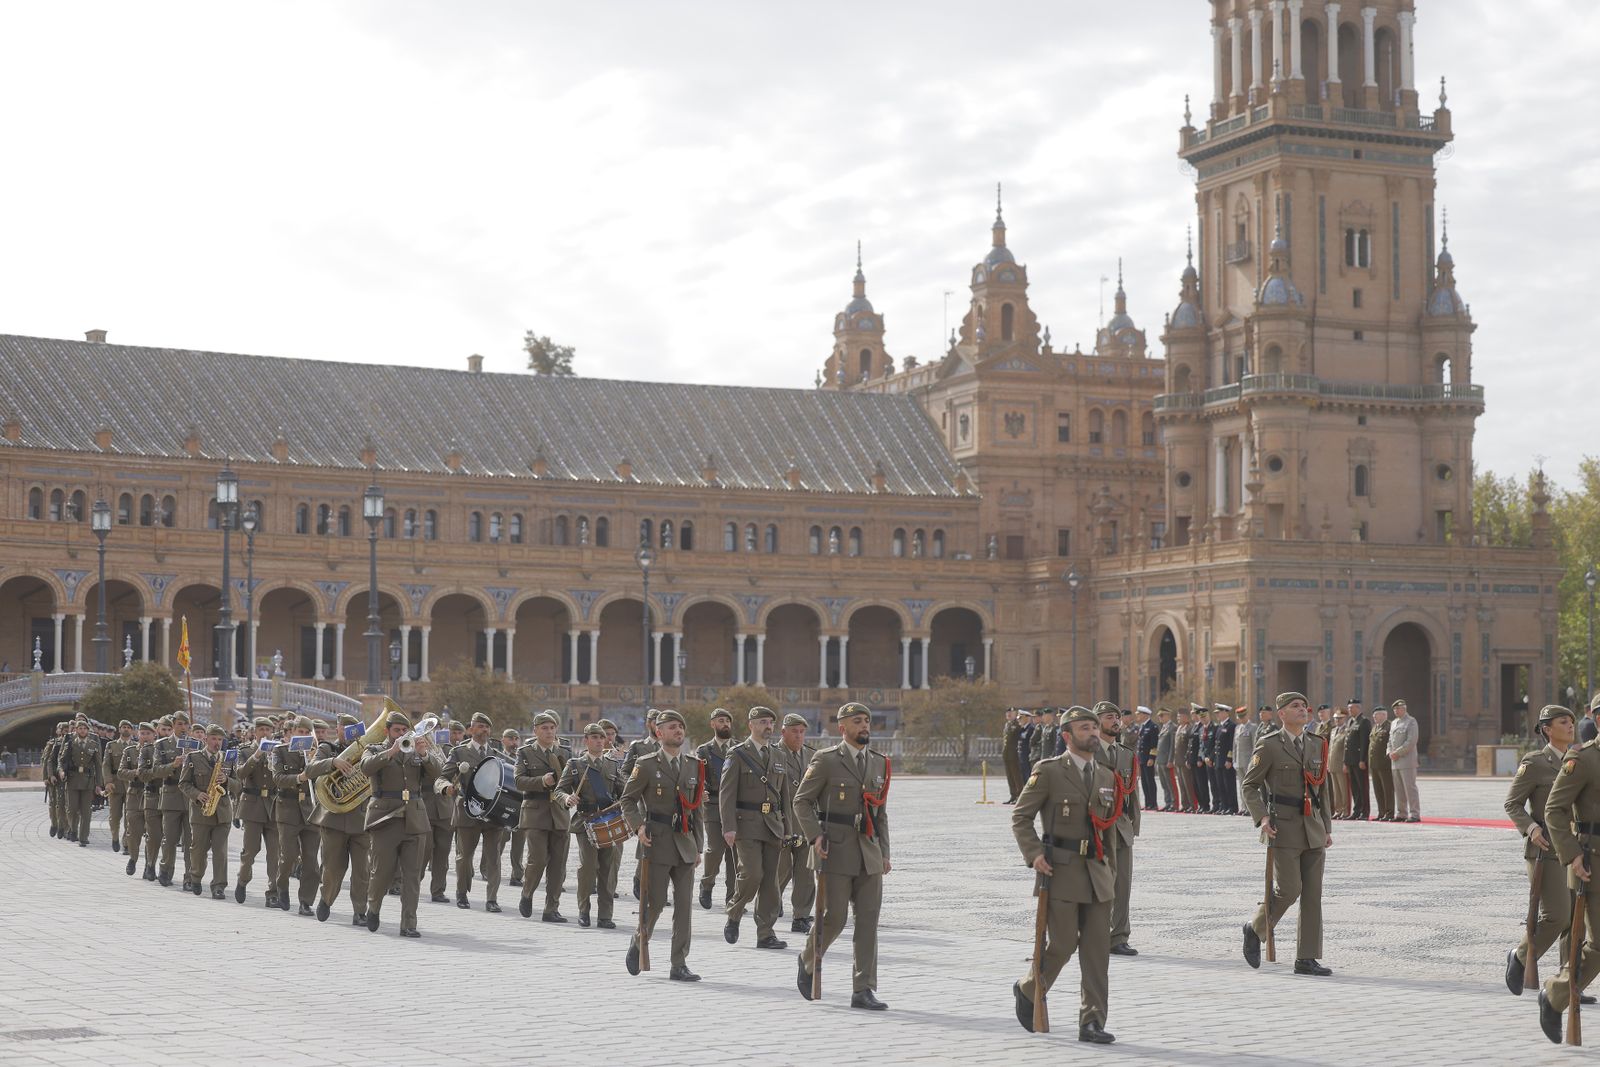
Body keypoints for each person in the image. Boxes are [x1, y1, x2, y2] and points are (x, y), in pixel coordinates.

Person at [1009, 706, 1119, 1043]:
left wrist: (1111, 872)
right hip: (1061, 869)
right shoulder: (1049, 771)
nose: (1094, 733)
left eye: (1095, 727)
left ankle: (1092, 1022)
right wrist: (1034, 854)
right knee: (1062, 944)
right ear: (1068, 736)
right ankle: (1029, 987)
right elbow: (1021, 817)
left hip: (1097, 873)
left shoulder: (1105, 776)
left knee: (1098, 951)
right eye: (1086, 728)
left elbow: (1108, 829)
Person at [794, 702, 891, 1011]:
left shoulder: (878, 763)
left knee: (868, 923)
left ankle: (863, 988)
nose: (865, 726)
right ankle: (808, 959)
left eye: (867, 721)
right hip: (833, 849)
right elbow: (801, 802)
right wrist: (814, 835)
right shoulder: (825, 760)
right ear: (842, 728)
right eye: (857, 722)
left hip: (868, 852)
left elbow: (881, 813)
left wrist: (885, 853)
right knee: (833, 918)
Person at [1240, 692, 1333, 977]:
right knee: (1289, 890)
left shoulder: (1317, 744)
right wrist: (1262, 817)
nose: (1302, 710)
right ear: (1281, 714)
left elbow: (1323, 788)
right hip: (1283, 826)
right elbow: (1250, 786)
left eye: (1304, 706)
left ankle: (1306, 957)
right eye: (1295, 707)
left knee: (1313, 894)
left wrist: (1327, 827)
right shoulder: (1269, 746)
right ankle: (1255, 927)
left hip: (1313, 827)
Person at [620, 708, 706, 982]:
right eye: (671, 727)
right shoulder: (646, 764)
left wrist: (699, 847)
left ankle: (678, 963)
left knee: (684, 907)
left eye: (681, 726)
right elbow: (628, 800)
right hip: (656, 841)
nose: (678, 731)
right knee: (654, 904)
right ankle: (639, 939)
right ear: (659, 733)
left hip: (685, 843)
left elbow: (697, 811)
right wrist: (638, 826)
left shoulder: (694, 765)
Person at [1505, 705, 1579, 998]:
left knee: (1576, 920)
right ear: (1548, 729)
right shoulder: (1535, 762)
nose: (1571, 726)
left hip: (1577, 848)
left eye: (1572, 721)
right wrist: (1531, 829)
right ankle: (1521, 956)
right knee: (1557, 915)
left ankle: (1568, 982)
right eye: (1564, 722)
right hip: (1545, 848)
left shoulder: (1577, 760)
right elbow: (1512, 803)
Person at [1538, 715, 1600, 1042]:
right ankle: (1555, 995)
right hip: (1591, 863)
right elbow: (1554, 809)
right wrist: (1572, 854)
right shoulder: (1583, 759)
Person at [360, 708, 437, 938]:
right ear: (388, 731)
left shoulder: (416, 751)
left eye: (405, 730)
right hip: (385, 818)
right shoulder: (374, 749)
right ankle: (373, 907)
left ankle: (409, 923)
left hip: (414, 817)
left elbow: (437, 774)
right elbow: (365, 768)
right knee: (381, 872)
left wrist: (425, 755)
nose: (402, 734)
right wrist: (391, 752)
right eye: (397, 730)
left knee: (412, 875)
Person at [720, 705, 790, 951]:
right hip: (745, 825)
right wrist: (728, 827)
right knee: (752, 874)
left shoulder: (779, 756)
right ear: (750, 725)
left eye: (770, 722)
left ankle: (765, 933)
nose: (767, 726)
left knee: (771, 881)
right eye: (762, 722)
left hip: (773, 825)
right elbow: (726, 794)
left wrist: (788, 828)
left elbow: (785, 797)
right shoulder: (737, 754)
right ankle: (735, 913)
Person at [557, 723, 626, 928]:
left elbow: (625, 793)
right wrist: (568, 798)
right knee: (588, 867)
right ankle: (583, 911)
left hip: (609, 822)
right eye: (594, 737)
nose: (598, 741)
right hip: (586, 822)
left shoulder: (612, 765)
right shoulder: (575, 764)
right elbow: (559, 790)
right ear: (586, 740)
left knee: (608, 869)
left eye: (601, 737)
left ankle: (605, 915)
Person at [435, 711, 505, 911]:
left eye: (487, 727)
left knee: (494, 857)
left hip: (493, 813)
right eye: (480, 726)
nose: (484, 730)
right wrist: (446, 787)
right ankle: (462, 893)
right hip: (467, 809)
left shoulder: (497, 753)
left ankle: (492, 899)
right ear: (471, 729)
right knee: (464, 857)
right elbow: (442, 777)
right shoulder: (459, 752)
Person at [514, 711, 571, 922]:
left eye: (552, 727)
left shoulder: (565, 752)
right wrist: (541, 781)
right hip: (535, 811)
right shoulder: (525, 753)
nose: (549, 731)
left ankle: (551, 909)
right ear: (535, 730)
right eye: (544, 728)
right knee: (537, 859)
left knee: (558, 864)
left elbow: (573, 779)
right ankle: (527, 892)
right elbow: (519, 780)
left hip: (560, 813)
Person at [1093, 702, 1140, 957]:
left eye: (1117, 717)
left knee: (1122, 885)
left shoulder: (1126, 754)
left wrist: (1134, 825)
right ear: (1097, 721)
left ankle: (1118, 936)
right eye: (1109, 717)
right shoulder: (1085, 752)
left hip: (1121, 828)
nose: (1115, 721)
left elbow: (1133, 792)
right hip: (1095, 827)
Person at [270, 715, 321, 916]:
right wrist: (299, 777)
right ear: (292, 733)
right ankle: (281, 885)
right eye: (301, 732)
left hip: (310, 810)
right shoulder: (279, 751)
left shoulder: (316, 753)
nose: (305, 736)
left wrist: (314, 760)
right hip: (288, 809)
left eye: (308, 733)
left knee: (311, 860)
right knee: (289, 856)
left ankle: (306, 901)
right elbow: (278, 778)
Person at [178, 723, 235, 899]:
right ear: (205, 739)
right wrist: (197, 794)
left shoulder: (228, 758)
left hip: (222, 812)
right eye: (213, 739)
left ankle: (219, 886)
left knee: (220, 851)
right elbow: (183, 783)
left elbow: (239, 784)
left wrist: (226, 781)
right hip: (201, 811)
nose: (217, 743)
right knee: (198, 850)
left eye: (220, 739)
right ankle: (195, 877)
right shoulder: (193, 758)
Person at [776, 712, 817, 934]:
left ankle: (801, 916)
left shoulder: (812, 755)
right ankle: (772, 905)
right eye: (794, 731)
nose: (799, 736)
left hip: (805, 822)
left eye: (802, 732)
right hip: (781, 821)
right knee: (781, 870)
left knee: (805, 871)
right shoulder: (773, 754)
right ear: (783, 732)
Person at [232, 716, 280, 906]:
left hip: (274, 805)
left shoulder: (279, 751)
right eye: (261, 730)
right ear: (254, 732)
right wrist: (258, 754)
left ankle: (273, 891)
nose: (265, 733)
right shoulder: (245, 751)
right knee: (250, 850)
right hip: (252, 806)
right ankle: (242, 881)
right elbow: (240, 773)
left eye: (268, 730)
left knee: (274, 853)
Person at [696, 708, 738, 910]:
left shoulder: (739, 749)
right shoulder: (704, 751)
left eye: (728, 721)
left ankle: (733, 896)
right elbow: (698, 776)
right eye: (721, 721)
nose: (725, 724)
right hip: (713, 805)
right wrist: (701, 791)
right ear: (713, 724)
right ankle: (707, 884)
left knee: (735, 853)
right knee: (715, 848)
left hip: (736, 808)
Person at [423, 719, 461, 901]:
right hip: (426, 807)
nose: (433, 732)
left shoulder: (447, 750)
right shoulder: (417, 749)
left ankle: (438, 890)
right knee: (423, 850)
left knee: (443, 852)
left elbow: (453, 774)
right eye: (429, 729)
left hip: (445, 807)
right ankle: (408, 883)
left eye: (436, 728)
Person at [118, 722, 154, 876]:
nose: (145, 737)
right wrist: (136, 773)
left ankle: (149, 865)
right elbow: (121, 772)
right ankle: (133, 858)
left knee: (152, 833)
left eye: (148, 734)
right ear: (137, 735)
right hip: (134, 794)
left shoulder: (158, 751)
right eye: (142, 733)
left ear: (154, 735)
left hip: (152, 795)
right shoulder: (130, 751)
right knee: (133, 831)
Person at [61, 717, 103, 847]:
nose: (82, 730)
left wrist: (98, 784)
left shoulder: (93, 744)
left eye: (84, 728)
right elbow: (61, 760)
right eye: (80, 728)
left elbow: (98, 765)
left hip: (87, 781)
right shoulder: (70, 744)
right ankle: (73, 829)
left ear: (88, 730)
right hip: (72, 779)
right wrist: (61, 771)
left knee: (86, 811)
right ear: (76, 730)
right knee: (72, 809)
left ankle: (83, 837)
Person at [101, 719, 135, 852]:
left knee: (130, 815)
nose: (126, 729)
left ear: (131, 730)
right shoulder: (111, 745)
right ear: (119, 729)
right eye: (123, 727)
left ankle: (126, 842)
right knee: (115, 815)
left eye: (128, 727)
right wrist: (108, 781)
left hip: (131, 785)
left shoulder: (135, 746)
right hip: (115, 784)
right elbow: (106, 765)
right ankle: (115, 836)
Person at [1387, 699, 1421, 822]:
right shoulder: (1394, 723)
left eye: (1398, 708)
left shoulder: (1411, 722)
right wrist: (1389, 752)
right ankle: (1401, 813)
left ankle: (1414, 813)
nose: (1396, 711)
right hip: (1395, 761)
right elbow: (1390, 740)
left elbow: (1411, 741)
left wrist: (1397, 752)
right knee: (1399, 789)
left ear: (1404, 709)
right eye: (1394, 709)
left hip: (1407, 761)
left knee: (1409, 788)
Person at [501, 728, 526, 887]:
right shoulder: (498, 756)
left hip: (520, 805)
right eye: (510, 739)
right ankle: (489, 869)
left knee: (519, 843)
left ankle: (516, 875)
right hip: (503, 803)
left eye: (516, 739)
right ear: (503, 740)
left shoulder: (522, 758)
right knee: (500, 841)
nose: (514, 742)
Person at [1345, 700, 1372, 821]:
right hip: (1351, 760)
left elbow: (1364, 742)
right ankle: (1356, 810)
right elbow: (1347, 743)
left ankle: (1365, 812)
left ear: (1358, 708)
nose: (1349, 710)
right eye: (1349, 708)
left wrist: (1363, 760)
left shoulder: (1364, 721)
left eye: (1352, 708)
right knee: (1355, 787)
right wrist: (1345, 761)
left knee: (1362, 787)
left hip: (1359, 761)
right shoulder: (1350, 721)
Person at [1368, 708, 1394, 820]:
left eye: (1376, 715)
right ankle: (1381, 812)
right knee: (1377, 789)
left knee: (1387, 789)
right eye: (1373, 715)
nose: (1374, 717)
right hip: (1374, 763)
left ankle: (1389, 812)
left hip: (1384, 763)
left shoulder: (1389, 726)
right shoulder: (1375, 727)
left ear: (1384, 715)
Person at [1211, 704, 1237, 814]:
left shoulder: (1231, 726)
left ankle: (1232, 807)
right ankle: (1224, 806)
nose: (1217, 715)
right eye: (1216, 713)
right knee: (1220, 785)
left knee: (1229, 785)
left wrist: (1229, 759)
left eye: (1219, 712)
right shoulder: (1219, 726)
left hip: (1226, 761)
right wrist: (1212, 758)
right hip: (1218, 760)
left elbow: (1232, 744)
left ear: (1226, 712)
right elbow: (1215, 744)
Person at [1327, 708, 1350, 819]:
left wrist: (1345, 763)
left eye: (1339, 718)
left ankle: (1345, 811)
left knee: (1343, 789)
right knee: (1336, 789)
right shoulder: (1333, 730)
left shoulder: (1346, 730)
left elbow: (1346, 748)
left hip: (1341, 763)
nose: (1337, 721)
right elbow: (1330, 747)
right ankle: (1338, 810)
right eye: (1336, 718)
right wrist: (1328, 762)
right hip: (1332, 763)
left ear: (1344, 718)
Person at [1135, 707, 1158, 810]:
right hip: (1142, 758)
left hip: (1148, 759)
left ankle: (1153, 803)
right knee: (1144, 782)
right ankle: (1148, 803)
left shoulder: (1152, 726)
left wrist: (1151, 758)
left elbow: (1154, 744)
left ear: (1145, 715)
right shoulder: (1143, 726)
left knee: (1150, 781)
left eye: (1139, 714)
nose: (1137, 716)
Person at [1189, 706, 1211, 813]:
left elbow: (1200, 745)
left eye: (1194, 713)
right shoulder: (1195, 726)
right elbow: (1191, 745)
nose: (1193, 715)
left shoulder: (1203, 727)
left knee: (1202, 784)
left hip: (1200, 761)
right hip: (1193, 760)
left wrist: (1199, 758)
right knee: (1195, 784)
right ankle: (1201, 805)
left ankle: (1205, 805)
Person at [1173, 707, 1194, 812]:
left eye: (1179, 716)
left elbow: (1189, 746)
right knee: (1181, 784)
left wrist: (1188, 759)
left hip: (1185, 761)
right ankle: (1185, 805)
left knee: (1188, 784)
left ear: (1186, 717)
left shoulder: (1189, 728)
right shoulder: (1179, 728)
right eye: (1177, 716)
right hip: (1178, 761)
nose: (1178, 718)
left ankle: (1192, 805)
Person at [1155, 708, 1176, 811]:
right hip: (1160, 760)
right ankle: (1167, 802)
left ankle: (1173, 803)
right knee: (1164, 783)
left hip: (1166, 760)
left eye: (1162, 715)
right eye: (1159, 716)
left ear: (1168, 715)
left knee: (1170, 783)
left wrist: (1170, 760)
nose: (1160, 718)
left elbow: (1172, 745)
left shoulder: (1172, 727)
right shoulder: (1163, 727)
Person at [1002, 708, 1024, 804]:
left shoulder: (1017, 725)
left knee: (1016, 776)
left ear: (1016, 714)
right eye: (1008, 713)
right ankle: (1013, 795)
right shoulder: (1007, 725)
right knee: (1009, 776)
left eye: (1011, 713)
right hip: (1007, 754)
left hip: (1014, 754)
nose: (1009, 714)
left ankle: (1019, 796)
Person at [1016, 710, 1037, 783]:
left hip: (1028, 756)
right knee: (1023, 776)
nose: (1019, 720)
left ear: (1027, 718)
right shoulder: (1022, 729)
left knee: (1028, 776)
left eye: (1021, 718)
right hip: (1022, 757)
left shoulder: (1031, 729)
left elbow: (1031, 743)